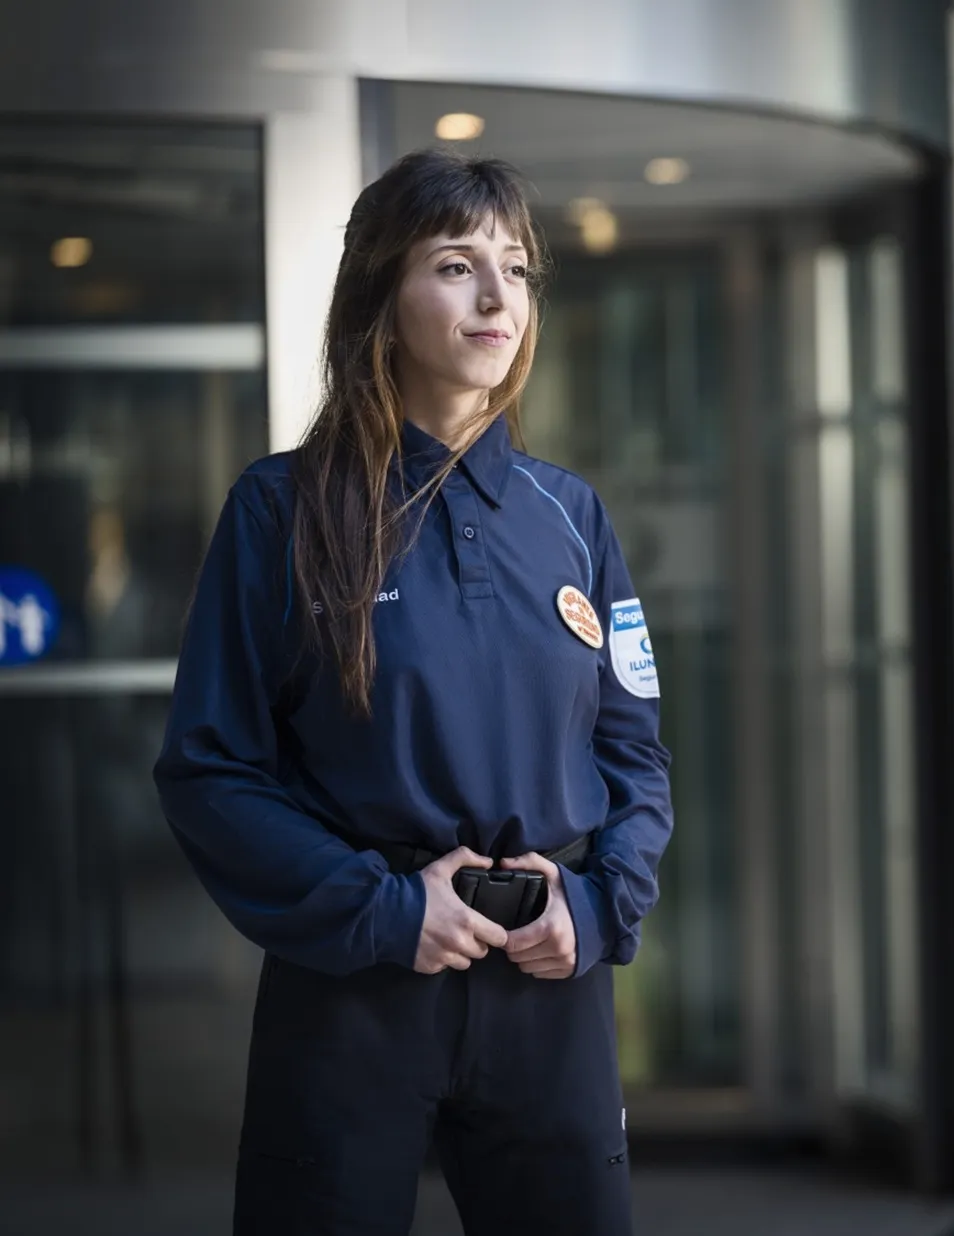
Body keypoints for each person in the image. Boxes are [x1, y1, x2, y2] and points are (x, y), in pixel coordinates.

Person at [153, 150, 672, 1236]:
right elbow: (211, 771)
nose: (497, 298)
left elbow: (634, 753)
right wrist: (386, 911)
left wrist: (591, 905)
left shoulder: (570, 515)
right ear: (382, 297)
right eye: (456, 264)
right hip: (353, 987)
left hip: (549, 984)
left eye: (517, 270)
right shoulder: (278, 510)